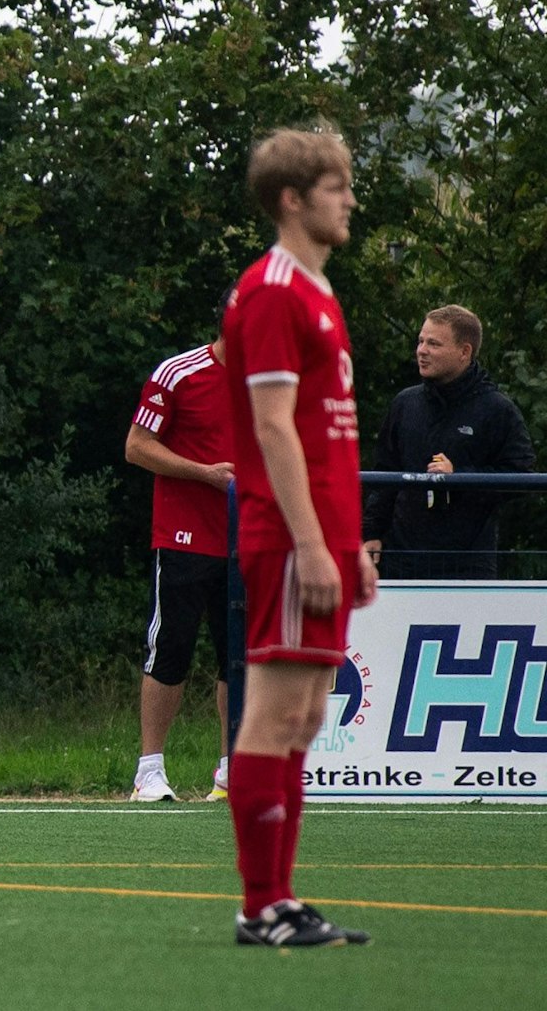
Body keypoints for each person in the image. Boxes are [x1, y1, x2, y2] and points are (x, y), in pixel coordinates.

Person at [222, 125, 374, 948]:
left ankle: (280, 896)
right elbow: (274, 429)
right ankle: (260, 904)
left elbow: (327, 434)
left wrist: (348, 546)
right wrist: (313, 543)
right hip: (285, 536)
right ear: (291, 198)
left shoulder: (316, 288)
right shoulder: (275, 288)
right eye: (335, 186)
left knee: (308, 715)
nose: (349, 199)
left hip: (322, 536)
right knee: (275, 713)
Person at [124, 305, 234, 803]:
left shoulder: (275, 383)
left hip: (247, 538)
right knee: (170, 649)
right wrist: (204, 471)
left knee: (240, 658)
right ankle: (150, 770)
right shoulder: (178, 373)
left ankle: (233, 768)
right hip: (185, 536)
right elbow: (138, 446)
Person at [362, 305, 536, 580]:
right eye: (420, 341)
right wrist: (371, 532)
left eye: (433, 343)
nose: (421, 350)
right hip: (402, 562)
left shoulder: (497, 409)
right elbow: (385, 474)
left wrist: (461, 477)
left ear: (464, 352)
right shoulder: (405, 404)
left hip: (467, 567)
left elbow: (521, 477)